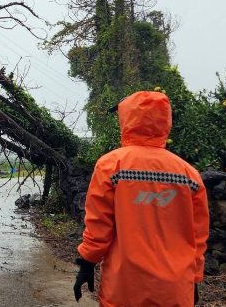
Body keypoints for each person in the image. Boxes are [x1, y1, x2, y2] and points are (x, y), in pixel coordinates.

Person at [74, 91, 209, 306]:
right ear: (166, 121)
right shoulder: (189, 174)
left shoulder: (111, 166)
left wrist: (87, 261)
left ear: (126, 119)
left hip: (124, 287)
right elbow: (197, 236)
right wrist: (194, 279)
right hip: (174, 290)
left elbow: (99, 225)